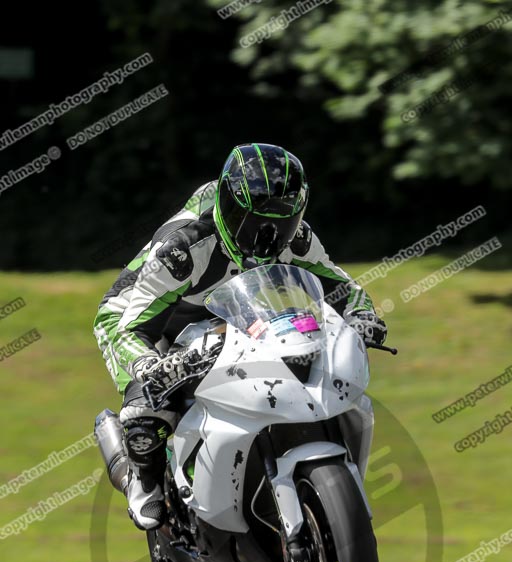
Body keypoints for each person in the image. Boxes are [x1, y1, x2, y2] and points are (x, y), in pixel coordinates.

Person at [94, 143, 387, 534]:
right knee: (149, 403)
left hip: (231, 303)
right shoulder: (186, 247)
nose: (267, 236)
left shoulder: (296, 238)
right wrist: (151, 367)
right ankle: (142, 478)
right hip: (142, 314)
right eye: (253, 222)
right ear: (228, 206)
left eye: (281, 222)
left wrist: (363, 315)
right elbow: (134, 327)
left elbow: (342, 286)